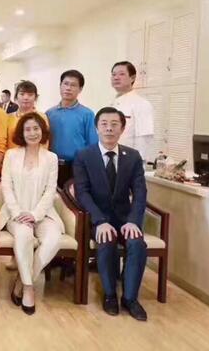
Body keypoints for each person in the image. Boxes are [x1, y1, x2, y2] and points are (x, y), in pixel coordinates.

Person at [73, 107, 148, 321]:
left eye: (114, 124)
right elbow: (82, 193)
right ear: (96, 128)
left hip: (125, 220)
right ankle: (110, 296)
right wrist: (100, 221)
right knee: (106, 242)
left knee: (137, 244)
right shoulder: (84, 156)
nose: (109, 128)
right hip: (98, 219)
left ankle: (130, 299)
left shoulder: (132, 156)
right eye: (104, 124)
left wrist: (134, 221)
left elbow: (140, 192)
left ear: (122, 129)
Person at [0, 113, 63, 315]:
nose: (32, 133)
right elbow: (6, 187)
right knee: (24, 235)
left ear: (43, 132)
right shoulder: (11, 155)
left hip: (43, 213)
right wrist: (19, 213)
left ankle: (23, 279)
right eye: (27, 129)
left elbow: (50, 191)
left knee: (54, 239)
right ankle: (29, 288)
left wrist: (35, 215)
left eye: (36, 128)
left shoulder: (51, 158)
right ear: (21, 132)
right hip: (15, 213)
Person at [46, 70, 98, 188]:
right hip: (52, 165)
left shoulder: (87, 114)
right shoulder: (49, 113)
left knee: (74, 198)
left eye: (73, 85)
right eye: (65, 84)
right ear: (60, 86)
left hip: (77, 166)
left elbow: (92, 145)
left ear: (80, 89)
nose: (68, 88)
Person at [110, 61, 154, 160]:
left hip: (128, 160)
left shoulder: (141, 104)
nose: (116, 77)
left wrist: (138, 163)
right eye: (113, 74)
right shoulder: (112, 103)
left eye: (121, 74)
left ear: (132, 78)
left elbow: (144, 139)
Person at [7, 81, 50, 150]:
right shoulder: (8, 118)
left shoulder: (42, 117)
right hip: (12, 155)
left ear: (36, 97)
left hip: (36, 155)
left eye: (30, 95)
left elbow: (45, 141)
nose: (26, 97)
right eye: (22, 94)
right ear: (16, 97)